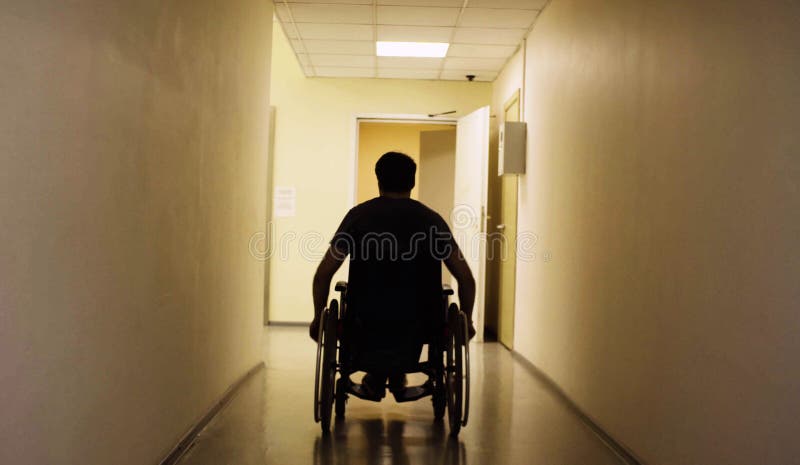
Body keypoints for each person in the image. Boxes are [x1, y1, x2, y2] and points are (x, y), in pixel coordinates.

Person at [310, 151, 476, 399]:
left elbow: (324, 274)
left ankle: (377, 375)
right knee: (417, 313)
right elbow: (465, 277)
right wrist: (468, 321)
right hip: (421, 321)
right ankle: (395, 373)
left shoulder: (358, 217)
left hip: (365, 319)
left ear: (379, 180)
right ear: (412, 182)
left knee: (371, 315)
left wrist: (317, 318)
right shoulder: (431, 220)